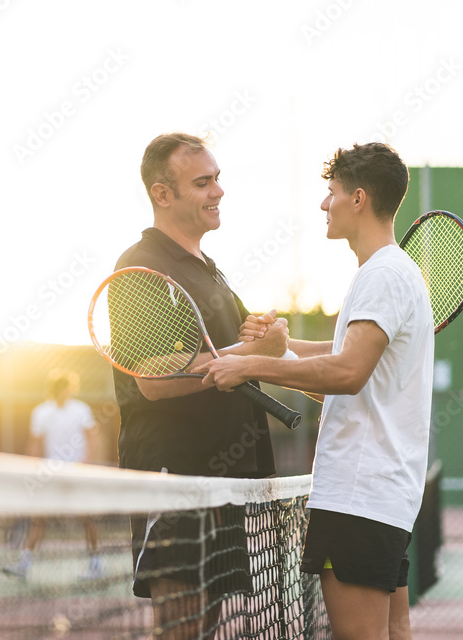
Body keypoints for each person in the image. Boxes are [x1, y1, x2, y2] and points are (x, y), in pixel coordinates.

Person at [197, 142, 434, 640]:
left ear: (359, 199)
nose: (324, 204)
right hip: (378, 497)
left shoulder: (383, 275)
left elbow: (346, 373)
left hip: (359, 497)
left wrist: (250, 368)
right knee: (396, 632)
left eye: (332, 193)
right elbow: (347, 367)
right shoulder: (390, 273)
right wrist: (280, 348)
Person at [113, 132, 289, 639]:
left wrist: (254, 339)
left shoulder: (210, 271)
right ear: (161, 194)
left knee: (205, 628)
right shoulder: (140, 266)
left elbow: (230, 356)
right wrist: (252, 352)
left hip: (224, 476)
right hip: (175, 474)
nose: (218, 191)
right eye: (202, 182)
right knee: (182, 628)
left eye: (218, 179)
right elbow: (152, 377)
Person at [0, 370, 103, 581]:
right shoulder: (41, 412)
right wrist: (30, 470)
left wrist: (86, 462)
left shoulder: (81, 409)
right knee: (39, 519)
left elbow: (93, 436)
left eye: (68, 388)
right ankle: (24, 564)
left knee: (87, 518)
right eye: (62, 388)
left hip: (77, 473)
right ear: (55, 389)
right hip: (50, 473)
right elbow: (35, 443)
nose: (65, 391)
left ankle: (95, 565)